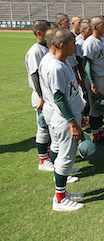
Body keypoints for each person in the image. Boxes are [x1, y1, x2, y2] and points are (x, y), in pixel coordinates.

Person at [48, 29, 86, 211]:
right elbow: (58, 98)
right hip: (65, 121)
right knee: (64, 159)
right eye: (72, 43)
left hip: (71, 116)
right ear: (62, 45)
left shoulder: (64, 63)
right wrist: (73, 122)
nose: (75, 46)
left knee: (67, 158)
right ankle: (60, 200)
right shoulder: (55, 67)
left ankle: (62, 194)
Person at [25, 20, 53, 171]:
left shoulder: (46, 47)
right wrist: (42, 96)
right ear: (39, 33)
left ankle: (49, 157)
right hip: (40, 95)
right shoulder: (35, 51)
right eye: (47, 31)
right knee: (43, 127)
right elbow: (35, 75)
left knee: (51, 128)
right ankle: (43, 161)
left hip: (47, 94)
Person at [83, 16, 104, 143]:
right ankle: (96, 137)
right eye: (102, 25)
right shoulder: (89, 42)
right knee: (95, 108)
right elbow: (87, 64)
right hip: (96, 78)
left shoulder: (103, 40)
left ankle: (100, 133)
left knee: (102, 108)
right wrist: (92, 83)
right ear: (95, 27)